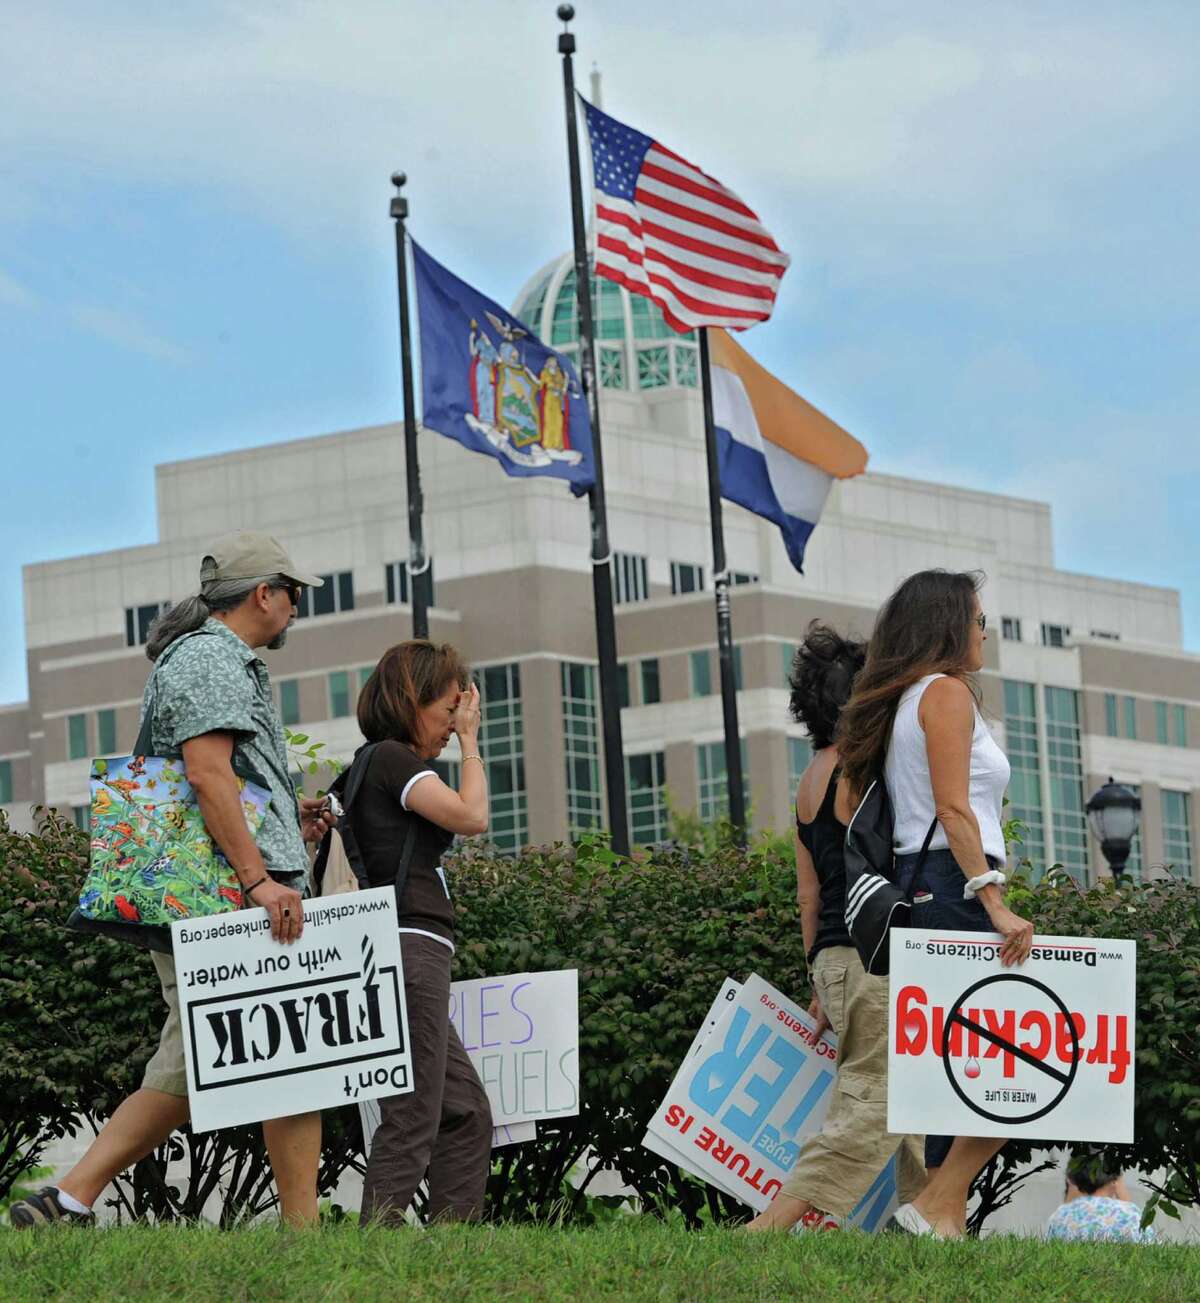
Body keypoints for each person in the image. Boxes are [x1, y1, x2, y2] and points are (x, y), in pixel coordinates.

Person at [9, 531, 336, 1230]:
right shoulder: (212, 658)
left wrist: (285, 816)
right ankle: (69, 1197)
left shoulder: (223, 660)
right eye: (294, 592)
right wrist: (257, 878)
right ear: (263, 594)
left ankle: (299, 1233)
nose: (299, 608)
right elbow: (206, 771)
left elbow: (223, 778)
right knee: (247, 1050)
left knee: (272, 1054)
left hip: (229, 889)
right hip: (223, 895)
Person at [836, 568, 1035, 1239]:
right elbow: (953, 807)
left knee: (970, 1063)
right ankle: (934, 1206)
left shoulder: (909, 699)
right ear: (950, 624)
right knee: (1013, 1062)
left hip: (936, 889)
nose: (985, 631)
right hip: (957, 887)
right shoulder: (945, 695)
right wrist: (995, 900)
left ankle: (940, 1214)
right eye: (979, 618)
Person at [746, 624, 926, 1232]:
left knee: (911, 1094)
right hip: (872, 953)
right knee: (878, 1095)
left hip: (833, 954)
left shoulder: (810, 778)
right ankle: (775, 1221)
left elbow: (808, 894)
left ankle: (929, 1226)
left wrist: (819, 979)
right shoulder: (862, 770)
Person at [326, 640, 493, 1227]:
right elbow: (471, 817)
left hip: (416, 950)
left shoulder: (377, 765)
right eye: (449, 708)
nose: (455, 723)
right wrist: (472, 746)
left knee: (465, 1109)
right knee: (415, 1107)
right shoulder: (392, 759)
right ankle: (380, 1233)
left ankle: (453, 1243)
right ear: (410, 700)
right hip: (405, 946)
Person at [1046, 1152, 1155, 1243]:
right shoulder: (1131, 1214)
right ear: (1115, 1179)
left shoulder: (1060, 1215)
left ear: (1073, 1179)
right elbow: (1148, 1248)